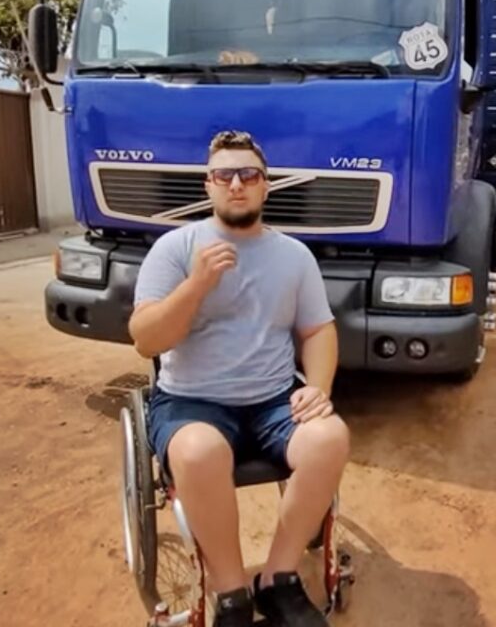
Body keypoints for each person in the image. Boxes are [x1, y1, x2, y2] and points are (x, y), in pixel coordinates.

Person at [128, 130, 349, 627]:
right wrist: (198, 283)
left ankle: (277, 580)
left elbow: (318, 329)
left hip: (273, 400)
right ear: (208, 185)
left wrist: (318, 386)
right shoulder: (175, 248)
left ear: (265, 186)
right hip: (191, 401)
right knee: (199, 453)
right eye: (224, 175)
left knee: (329, 437)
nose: (236, 184)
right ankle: (232, 594)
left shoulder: (294, 256)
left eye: (248, 174)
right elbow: (146, 339)